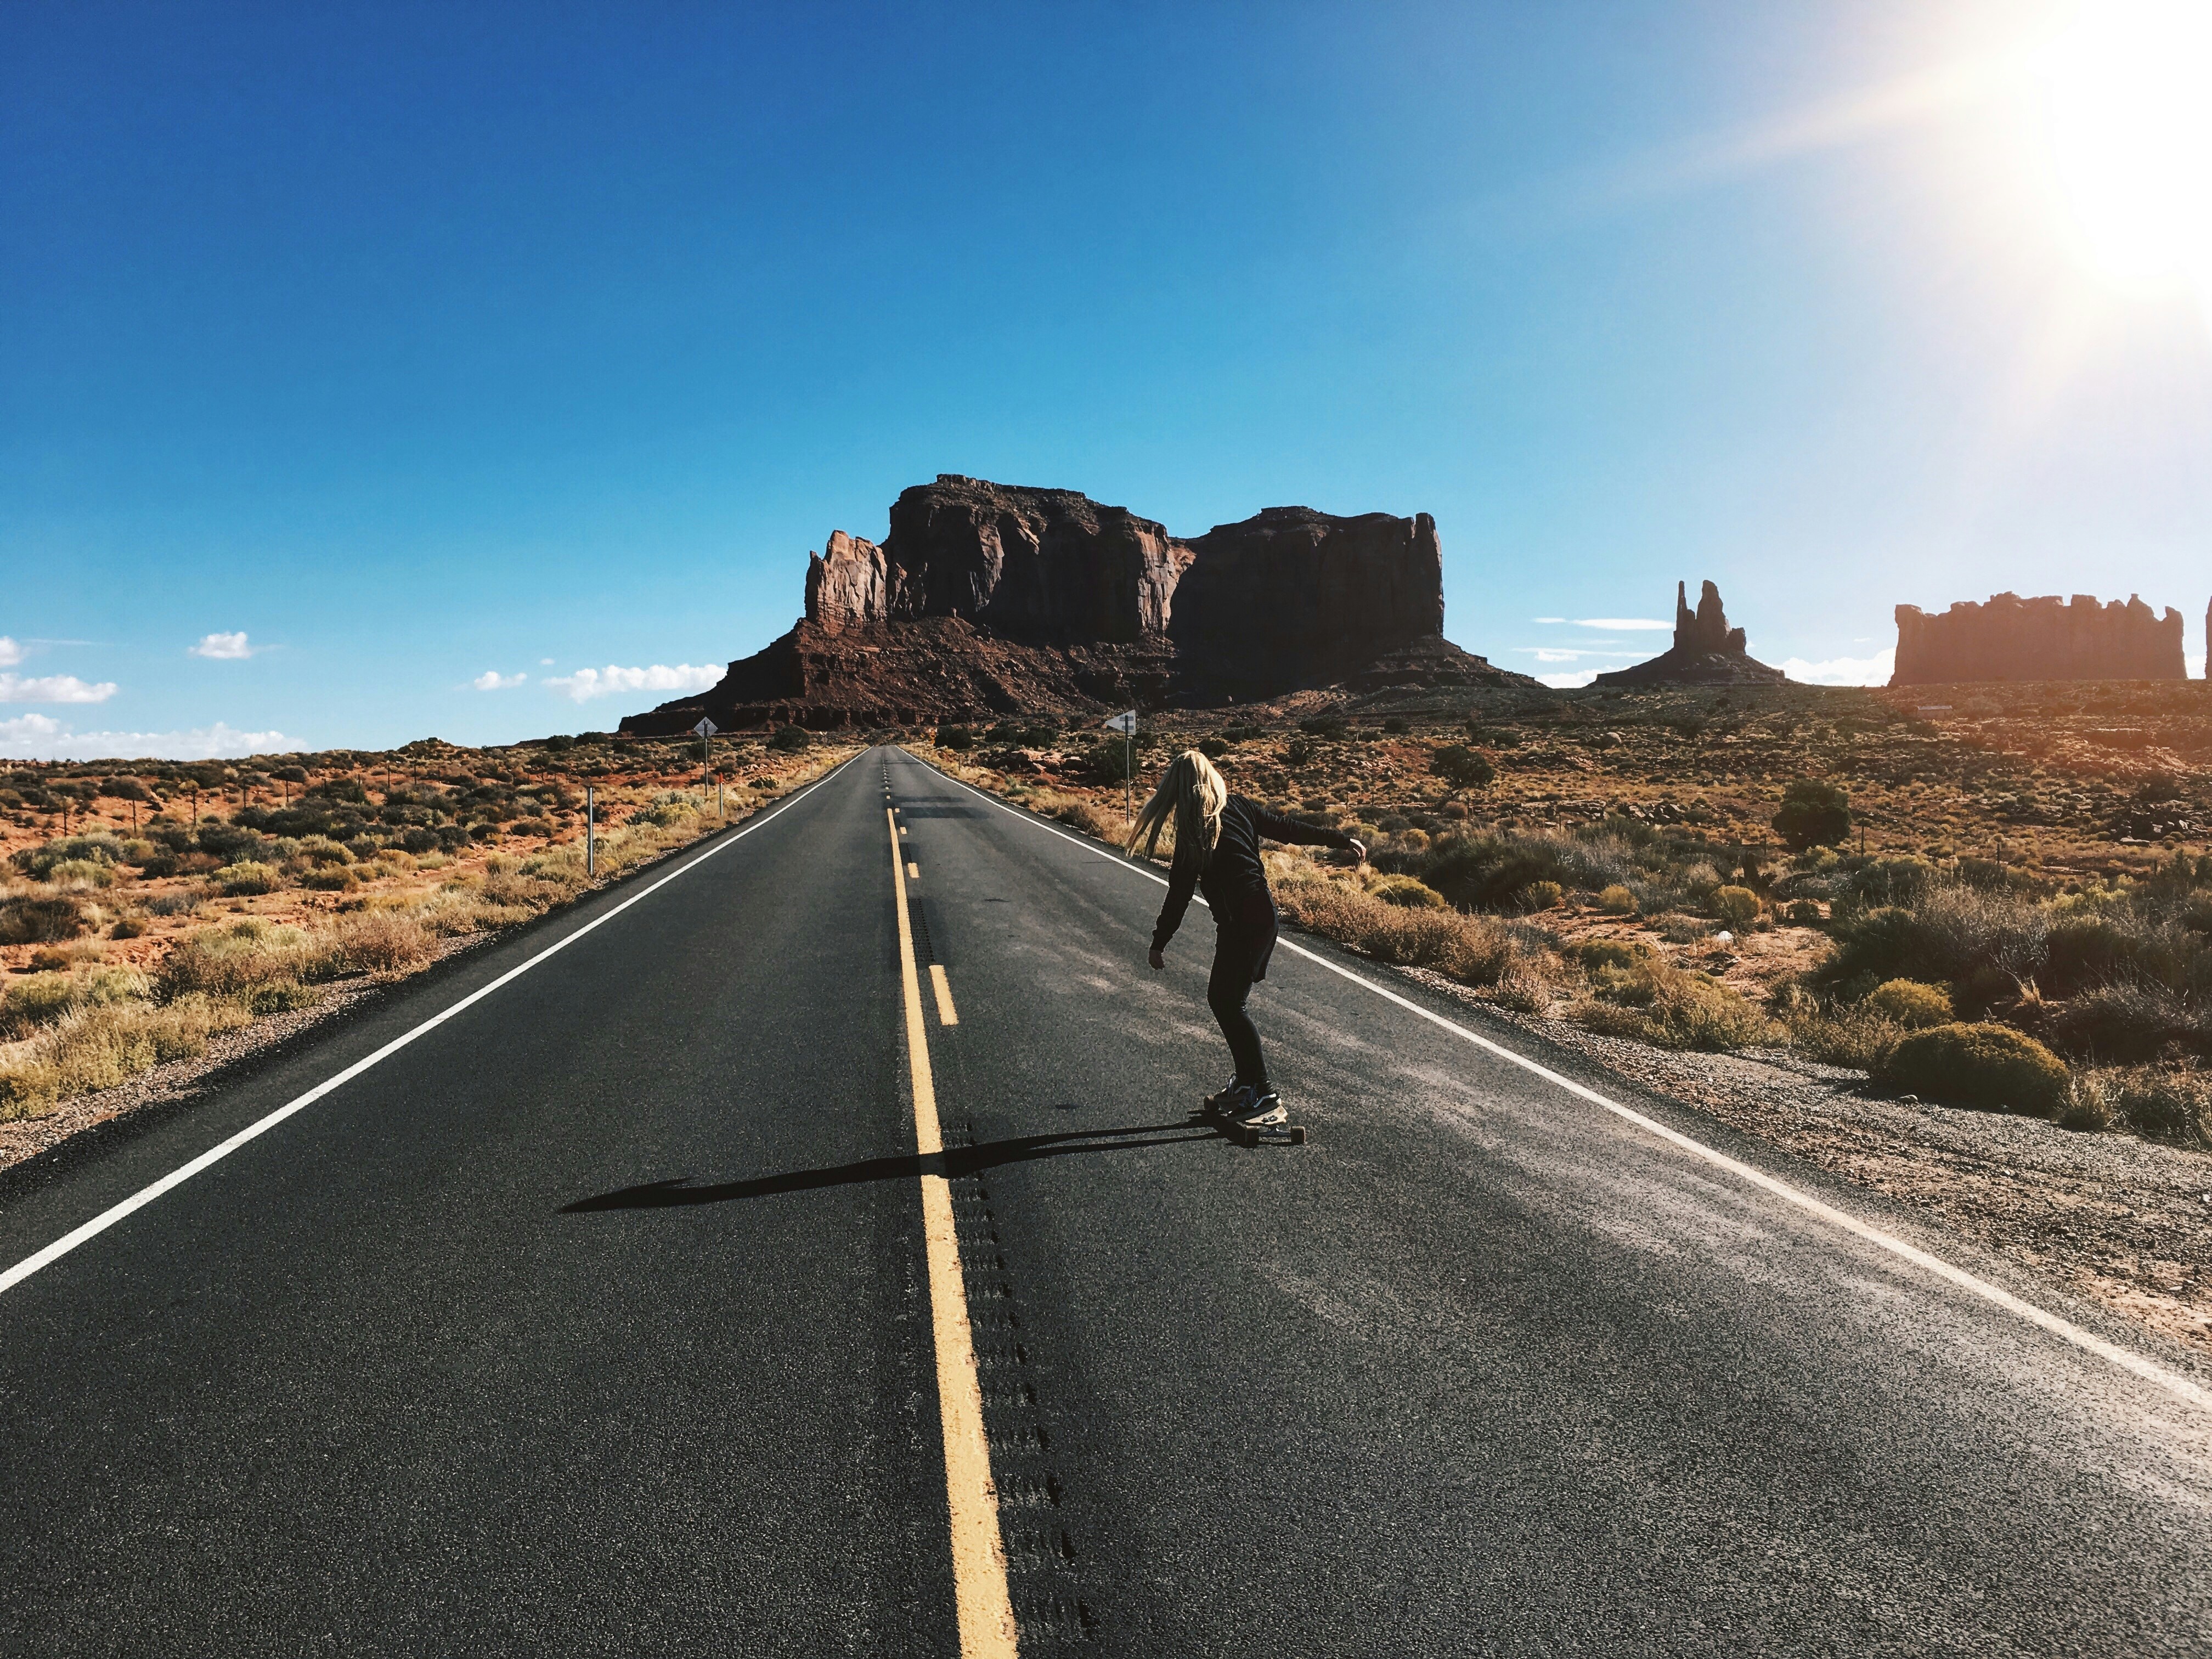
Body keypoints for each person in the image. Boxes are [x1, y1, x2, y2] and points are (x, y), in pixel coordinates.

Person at [1133, 750, 1364, 1127]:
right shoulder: (1238, 807)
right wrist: (1339, 839)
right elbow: (1288, 828)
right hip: (1255, 916)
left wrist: (1160, 942)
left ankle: (1262, 1090)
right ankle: (1246, 1084)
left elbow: (1179, 892)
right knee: (1225, 1000)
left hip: (1247, 921)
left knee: (1227, 1003)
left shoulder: (1195, 827)